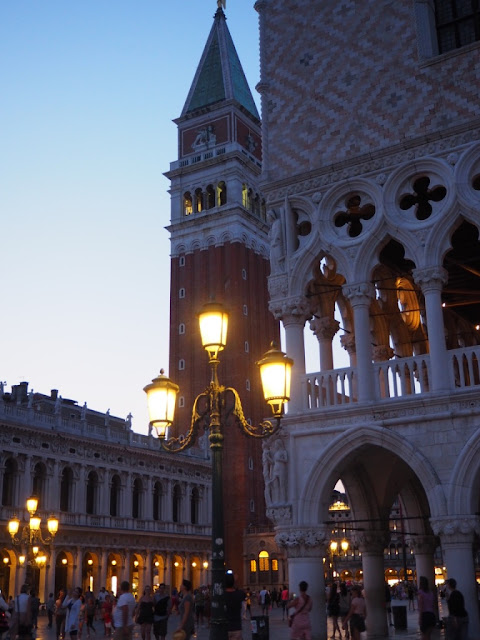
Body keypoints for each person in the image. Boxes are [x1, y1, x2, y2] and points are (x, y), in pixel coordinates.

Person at [224, 573, 245, 640]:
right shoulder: (239, 594)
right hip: (236, 627)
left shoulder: (222, 596)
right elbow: (243, 608)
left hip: (224, 628)